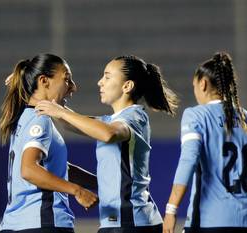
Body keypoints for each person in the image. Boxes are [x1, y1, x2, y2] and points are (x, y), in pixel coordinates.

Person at [36, 55, 178, 233]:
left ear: (127, 86)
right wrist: (27, 82)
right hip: (120, 222)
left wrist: (61, 112)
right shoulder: (109, 120)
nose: (99, 82)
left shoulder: (134, 117)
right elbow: (70, 122)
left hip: (132, 222)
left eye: (107, 76)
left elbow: (108, 134)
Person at [0, 53, 98, 233]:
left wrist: (101, 183)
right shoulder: (39, 120)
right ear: (44, 81)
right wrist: (77, 191)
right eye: (67, 79)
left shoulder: (24, 118)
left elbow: (55, 169)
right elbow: (29, 169)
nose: (73, 87)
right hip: (43, 222)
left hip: (16, 224)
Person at [163, 52, 247, 233]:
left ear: (203, 83)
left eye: (194, 86)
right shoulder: (245, 117)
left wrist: (171, 209)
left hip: (209, 220)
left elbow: (189, 160)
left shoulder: (196, 115)